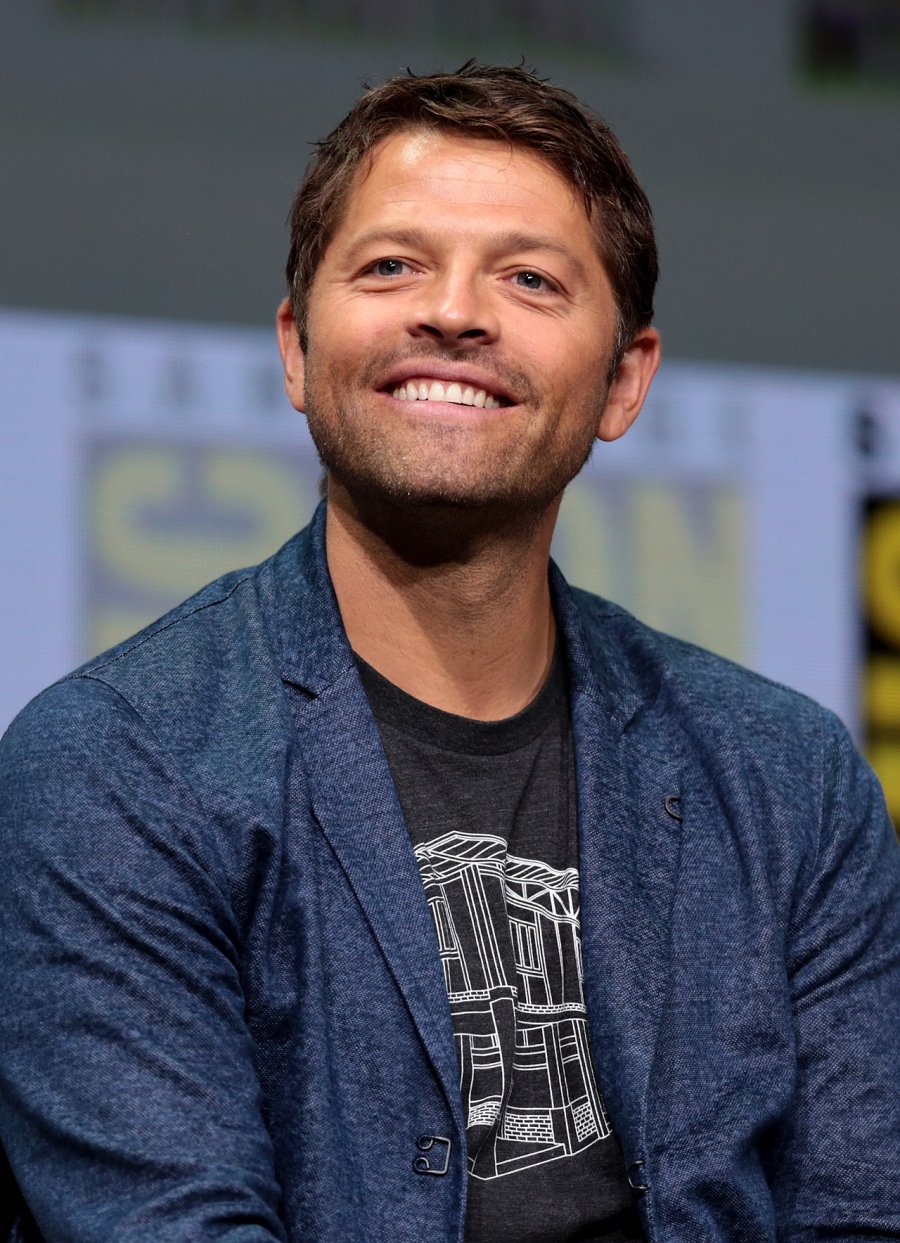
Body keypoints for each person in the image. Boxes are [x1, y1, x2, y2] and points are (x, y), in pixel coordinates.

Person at [1, 61, 898, 1243]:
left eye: (530, 279)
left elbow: (862, 1212)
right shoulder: (115, 765)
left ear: (624, 379)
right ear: (295, 349)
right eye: (391, 266)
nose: (455, 313)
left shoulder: (788, 776)